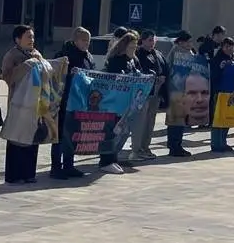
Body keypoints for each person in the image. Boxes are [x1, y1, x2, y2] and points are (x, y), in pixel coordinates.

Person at [0, 25, 49, 184]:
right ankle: (14, 175)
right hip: (18, 103)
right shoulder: (12, 55)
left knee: (31, 138)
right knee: (16, 139)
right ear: (17, 39)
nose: (32, 40)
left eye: (33, 37)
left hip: (35, 104)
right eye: (28, 37)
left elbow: (47, 74)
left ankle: (29, 173)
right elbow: (8, 77)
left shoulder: (37, 54)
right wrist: (25, 65)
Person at [51, 27, 93, 178]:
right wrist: (69, 74)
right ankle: (56, 167)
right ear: (75, 40)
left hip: (79, 103)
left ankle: (69, 165)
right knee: (60, 136)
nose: (86, 44)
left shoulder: (88, 57)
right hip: (64, 101)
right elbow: (54, 75)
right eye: (83, 40)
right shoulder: (64, 55)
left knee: (73, 135)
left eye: (88, 41)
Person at [99, 32, 140, 173]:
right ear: (124, 46)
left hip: (127, 103)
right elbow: (111, 79)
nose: (134, 49)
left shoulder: (133, 60)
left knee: (123, 131)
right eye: (131, 46)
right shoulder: (116, 60)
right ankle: (105, 160)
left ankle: (113, 157)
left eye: (135, 46)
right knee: (112, 132)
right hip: (113, 103)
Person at [129, 30, 167, 162]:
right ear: (143, 40)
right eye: (149, 40)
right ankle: (136, 149)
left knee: (150, 122)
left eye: (154, 40)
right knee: (141, 122)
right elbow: (138, 71)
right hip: (143, 93)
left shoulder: (157, 54)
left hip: (156, 92)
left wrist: (162, 78)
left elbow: (164, 68)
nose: (152, 43)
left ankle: (145, 147)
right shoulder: (138, 54)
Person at [163, 31, 197, 156]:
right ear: (181, 42)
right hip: (175, 90)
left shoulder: (191, 53)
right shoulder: (175, 51)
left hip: (186, 91)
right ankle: (174, 146)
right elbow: (167, 67)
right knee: (175, 120)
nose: (190, 44)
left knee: (181, 120)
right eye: (188, 41)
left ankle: (178, 145)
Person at [209, 37, 234, 152]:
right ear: (222, 47)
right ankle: (216, 143)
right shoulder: (217, 59)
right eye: (227, 46)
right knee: (218, 118)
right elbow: (213, 75)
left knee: (227, 118)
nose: (229, 49)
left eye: (231, 46)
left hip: (231, 92)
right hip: (220, 91)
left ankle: (223, 142)